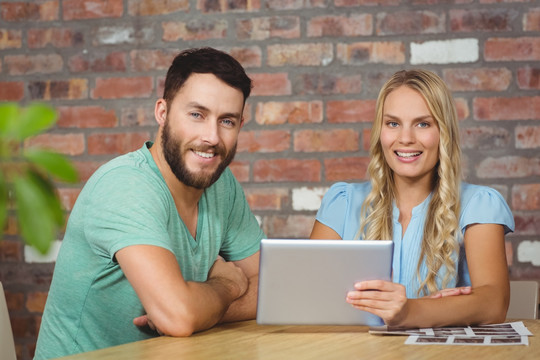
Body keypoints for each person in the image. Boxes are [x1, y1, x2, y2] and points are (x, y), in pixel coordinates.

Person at [34, 47, 265, 359]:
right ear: (162, 112)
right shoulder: (124, 186)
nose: (211, 136)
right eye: (197, 115)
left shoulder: (221, 185)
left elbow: (271, 290)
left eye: (227, 121)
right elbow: (179, 316)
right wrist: (226, 286)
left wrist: (199, 309)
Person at [310, 69, 514, 328]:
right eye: (393, 123)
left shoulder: (478, 205)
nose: (405, 139)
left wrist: (409, 311)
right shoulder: (342, 203)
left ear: (444, 132)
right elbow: (310, 296)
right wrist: (444, 306)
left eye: (423, 124)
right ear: (379, 131)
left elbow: (493, 303)